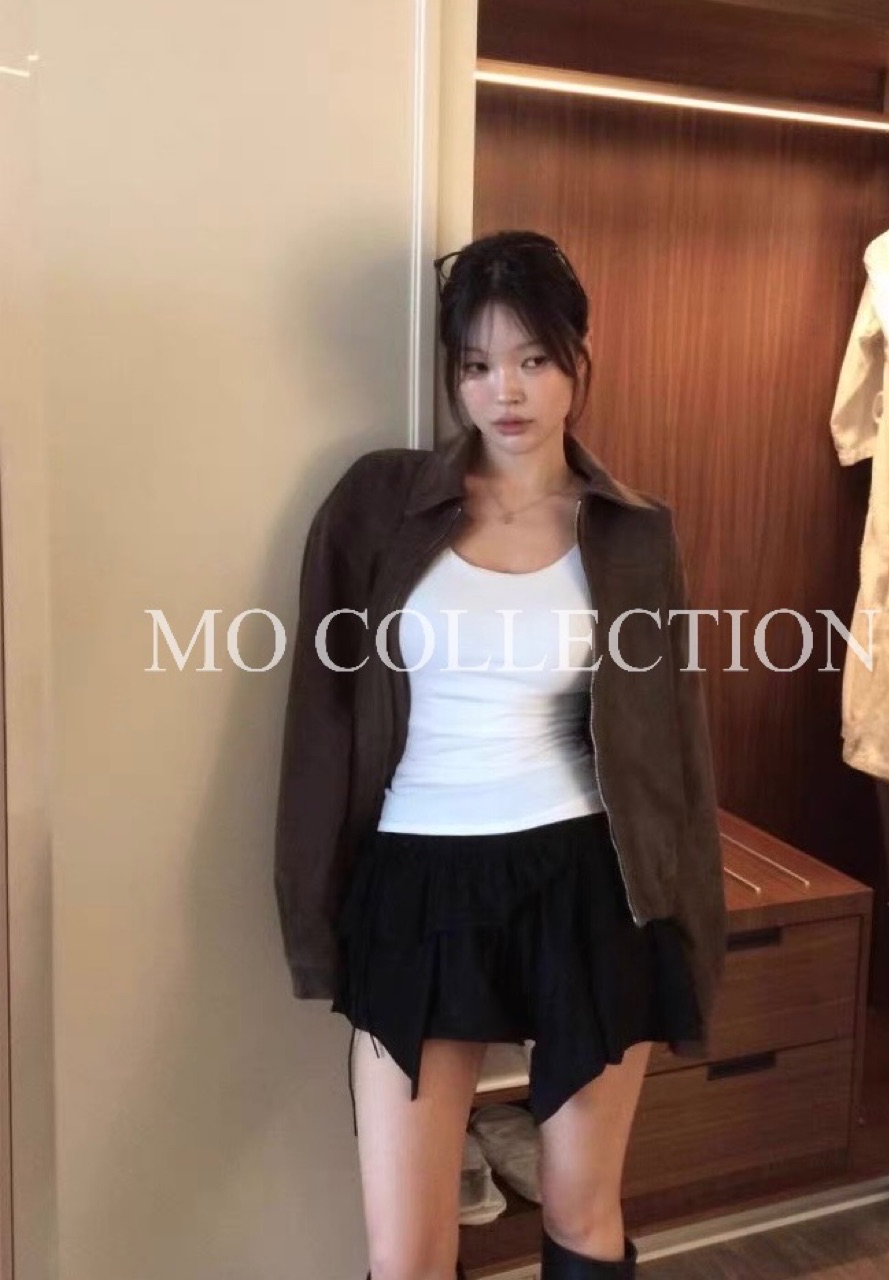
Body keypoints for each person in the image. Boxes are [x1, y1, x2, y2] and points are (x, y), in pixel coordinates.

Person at [274, 231, 727, 1280]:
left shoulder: (633, 532)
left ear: (577, 359)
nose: (504, 391)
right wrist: (310, 909)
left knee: (581, 1212)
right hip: (417, 880)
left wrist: (692, 929)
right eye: (476, 364)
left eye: (532, 359)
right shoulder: (378, 503)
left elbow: (673, 746)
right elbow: (321, 720)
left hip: (585, 878)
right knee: (409, 1250)